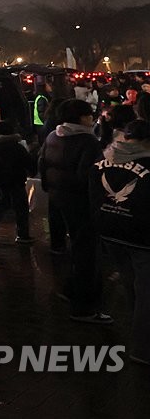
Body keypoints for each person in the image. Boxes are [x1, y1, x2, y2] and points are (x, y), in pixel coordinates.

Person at [39, 99, 110, 323]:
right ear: (82, 117)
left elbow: (41, 163)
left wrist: (50, 188)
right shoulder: (87, 141)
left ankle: (70, 289)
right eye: (89, 114)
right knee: (87, 253)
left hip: (58, 198)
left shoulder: (53, 135)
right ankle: (84, 307)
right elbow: (89, 177)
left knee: (77, 249)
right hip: (81, 203)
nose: (92, 118)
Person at [91, 119, 150, 365]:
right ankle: (142, 349)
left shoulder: (102, 160)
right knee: (146, 292)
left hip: (110, 231)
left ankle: (137, 330)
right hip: (142, 237)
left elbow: (93, 196)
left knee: (131, 285)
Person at [0, 121, 35, 243]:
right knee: (21, 207)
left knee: (3, 201)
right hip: (16, 179)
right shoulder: (17, 146)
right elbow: (28, 162)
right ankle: (22, 235)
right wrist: (32, 171)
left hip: (0, 180)